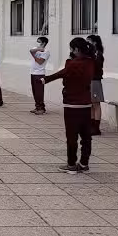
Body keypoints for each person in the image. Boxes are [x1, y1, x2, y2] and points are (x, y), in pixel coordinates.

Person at [40, 37, 95, 174]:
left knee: (72, 136)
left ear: (76, 49)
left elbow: (63, 73)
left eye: (71, 49)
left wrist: (46, 79)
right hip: (86, 104)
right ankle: (84, 163)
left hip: (72, 104)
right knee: (86, 137)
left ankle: (71, 164)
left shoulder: (71, 63)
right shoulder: (91, 62)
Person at [87, 35, 105, 135]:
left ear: (94, 43)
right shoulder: (90, 54)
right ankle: (92, 124)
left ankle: (96, 127)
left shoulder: (98, 54)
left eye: (89, 42)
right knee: (90, 104)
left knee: (96, 104)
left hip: (95, 80)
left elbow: (96, 67)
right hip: (89, 80)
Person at [29, 36, 50, 114]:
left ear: (44, 43)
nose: (37, 43)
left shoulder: (46, 52)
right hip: (33, 73)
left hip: (40, 74)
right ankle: (37, 106)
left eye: (39, 42)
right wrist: (38, 49)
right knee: (34, 91)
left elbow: (40, 62)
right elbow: (31, 50)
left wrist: (34, 55)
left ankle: (41, 108)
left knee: (39, 92)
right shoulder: (36, 49)